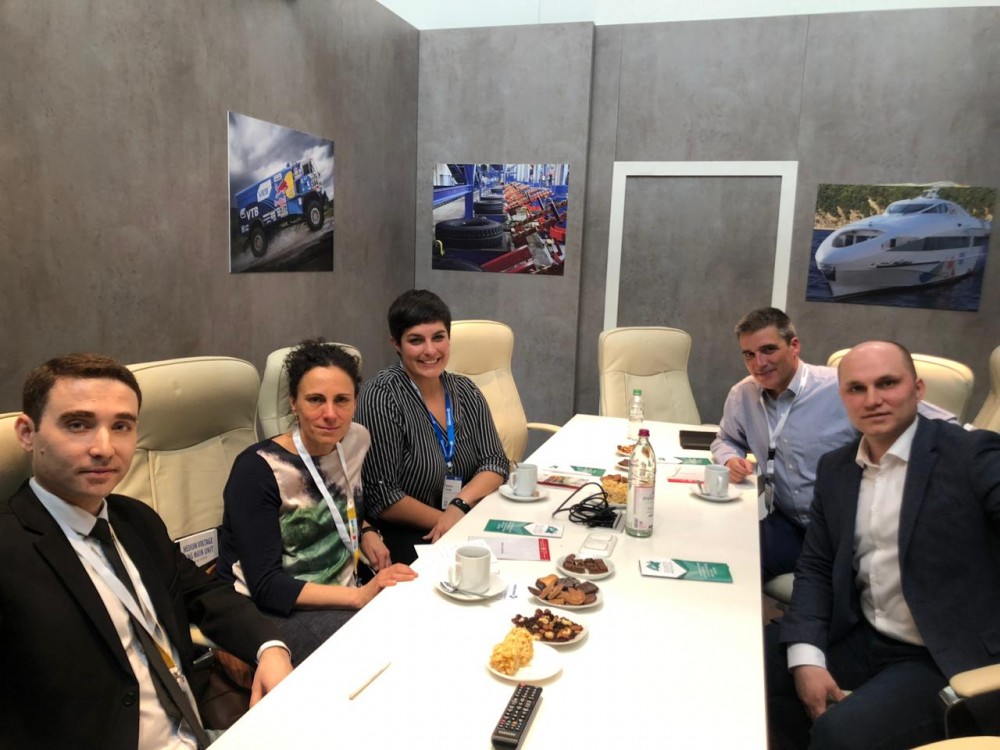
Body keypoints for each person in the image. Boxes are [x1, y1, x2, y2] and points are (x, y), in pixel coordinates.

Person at [0, 353, 293, 750]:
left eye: (121, 426)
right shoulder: (9, 550)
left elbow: (206, 594)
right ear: (27, 433)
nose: (104, 448)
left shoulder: (136, 519)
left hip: (195, 733)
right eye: (78, 424)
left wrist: (269, 648)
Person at [765, 341, 1000, 750]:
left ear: (918, 389)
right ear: (842, 398)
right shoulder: (837, 468)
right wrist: (806, 658)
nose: (872, 400)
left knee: (840, 734)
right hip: (863, 631)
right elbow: (816, 567)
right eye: (856, 388)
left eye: (887, 383)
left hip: (939, 655)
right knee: (747, 663)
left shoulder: (971, 455)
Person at [710, 307, 952, 581]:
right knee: (726, 563)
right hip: (789, 523)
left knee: (826, 594)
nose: (759, 363)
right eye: (749, 355)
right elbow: (726, 439)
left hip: (847, 531)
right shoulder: (743, 394)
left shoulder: (841, 387)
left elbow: (941, 424)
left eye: (768, 350)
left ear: (794, 346)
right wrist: (730, 458)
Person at [216, 340, 416, 664]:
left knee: (421, 616)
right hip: (275, 608)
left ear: (355, 402)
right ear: (294, 403)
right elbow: (266, 586)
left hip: (344, 588)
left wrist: (367, 530)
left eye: (342, 400)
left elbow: (341, 503)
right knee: (380, 649)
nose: (330, 414)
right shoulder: (258, 468)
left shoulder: (356, 441)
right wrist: (358, 597)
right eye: (315, 400)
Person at [356, 289, 509, 565]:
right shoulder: (382, 396)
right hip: (407, 534)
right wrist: (449, 521)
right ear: (396, 344)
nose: (430, 350)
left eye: (438, 337)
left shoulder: (465, 389)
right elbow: (385, 497)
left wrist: (458, 507)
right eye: (416, 340)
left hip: (461, 519)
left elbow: (495, 462)